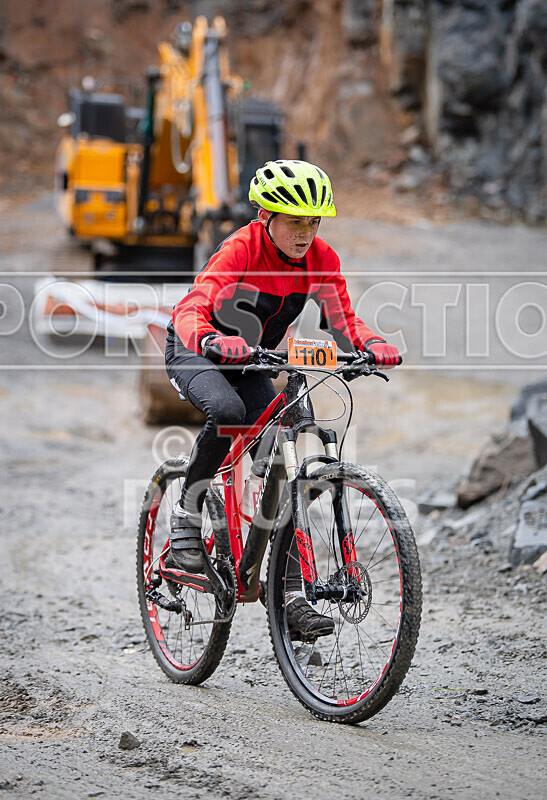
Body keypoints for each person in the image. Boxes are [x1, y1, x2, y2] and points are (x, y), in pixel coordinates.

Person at [165, 159, 401, 640]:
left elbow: (344, 323)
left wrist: (370, 344)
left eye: (313, 221)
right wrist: (210, 338)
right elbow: (191, 307)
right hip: (197, 349)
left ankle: (289, 593)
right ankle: (185, 524)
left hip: (253, 360)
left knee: (283, 459)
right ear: (265, 216)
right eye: (295, 220)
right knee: (228, 413)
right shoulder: (240, 250)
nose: (305, 232)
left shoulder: (322, 260)